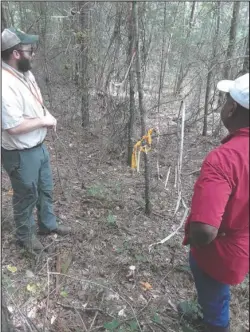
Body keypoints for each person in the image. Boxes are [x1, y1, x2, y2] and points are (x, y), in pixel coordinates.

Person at [182, 73, 249, 332]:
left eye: (226, 101)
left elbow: (204, 231)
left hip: (219, 254)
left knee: (214, 295)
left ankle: (215, 324)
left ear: (231, 108)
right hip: (243, 248)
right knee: (216, 295)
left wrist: (196, 241)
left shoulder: (225, 159)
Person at [1, 27, 71, 254]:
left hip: (38, 148)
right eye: (29, 50)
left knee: (44, 190)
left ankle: (47, 226)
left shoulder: (25, 73)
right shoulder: (4, 84)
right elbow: (13, 127)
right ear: (16, 53)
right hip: (20, 153)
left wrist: (46, 117)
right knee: (26, 196)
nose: (33, 53)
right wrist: (43, 121)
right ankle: (25, 237)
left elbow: (35, 104)